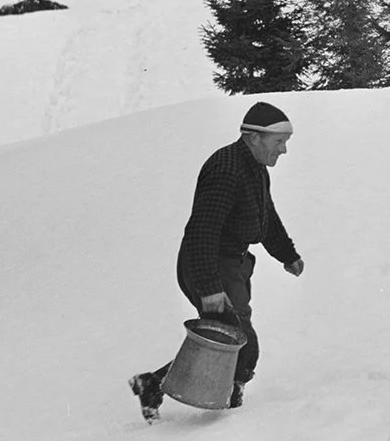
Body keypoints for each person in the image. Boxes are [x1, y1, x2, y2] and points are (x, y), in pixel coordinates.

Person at [129, 100, 306, 419]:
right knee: (242, 341)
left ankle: (154, 383)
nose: (283, 150)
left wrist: (287, 254)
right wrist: (210, 286)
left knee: (229, 336)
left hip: (232, 265)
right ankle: (229, 412)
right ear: (254, 137)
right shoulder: (227, 168)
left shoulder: (254, 168)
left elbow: (266, 217)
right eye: (278, 142)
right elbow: (202, 230)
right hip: (209, 262)